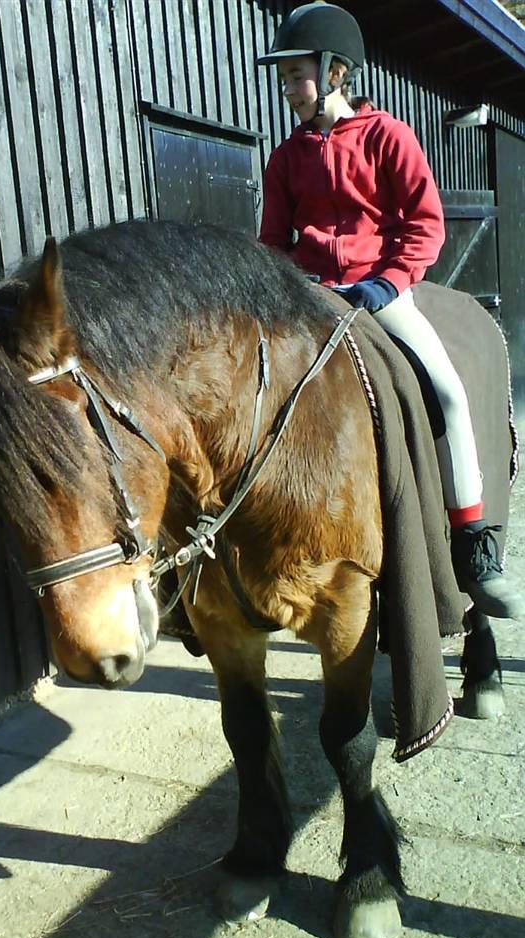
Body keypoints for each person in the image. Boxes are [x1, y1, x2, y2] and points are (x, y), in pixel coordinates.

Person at [257, 1, 522, 620]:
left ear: (336, 73)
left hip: (379, 293)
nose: (290, 87)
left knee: (450, 394)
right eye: (286, 76)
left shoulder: (387, 137)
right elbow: (272, 241)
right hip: (306, 298)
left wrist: (387, 283)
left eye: (299, 74)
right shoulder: (286, 158)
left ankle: (477, 546)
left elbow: (424, 227)